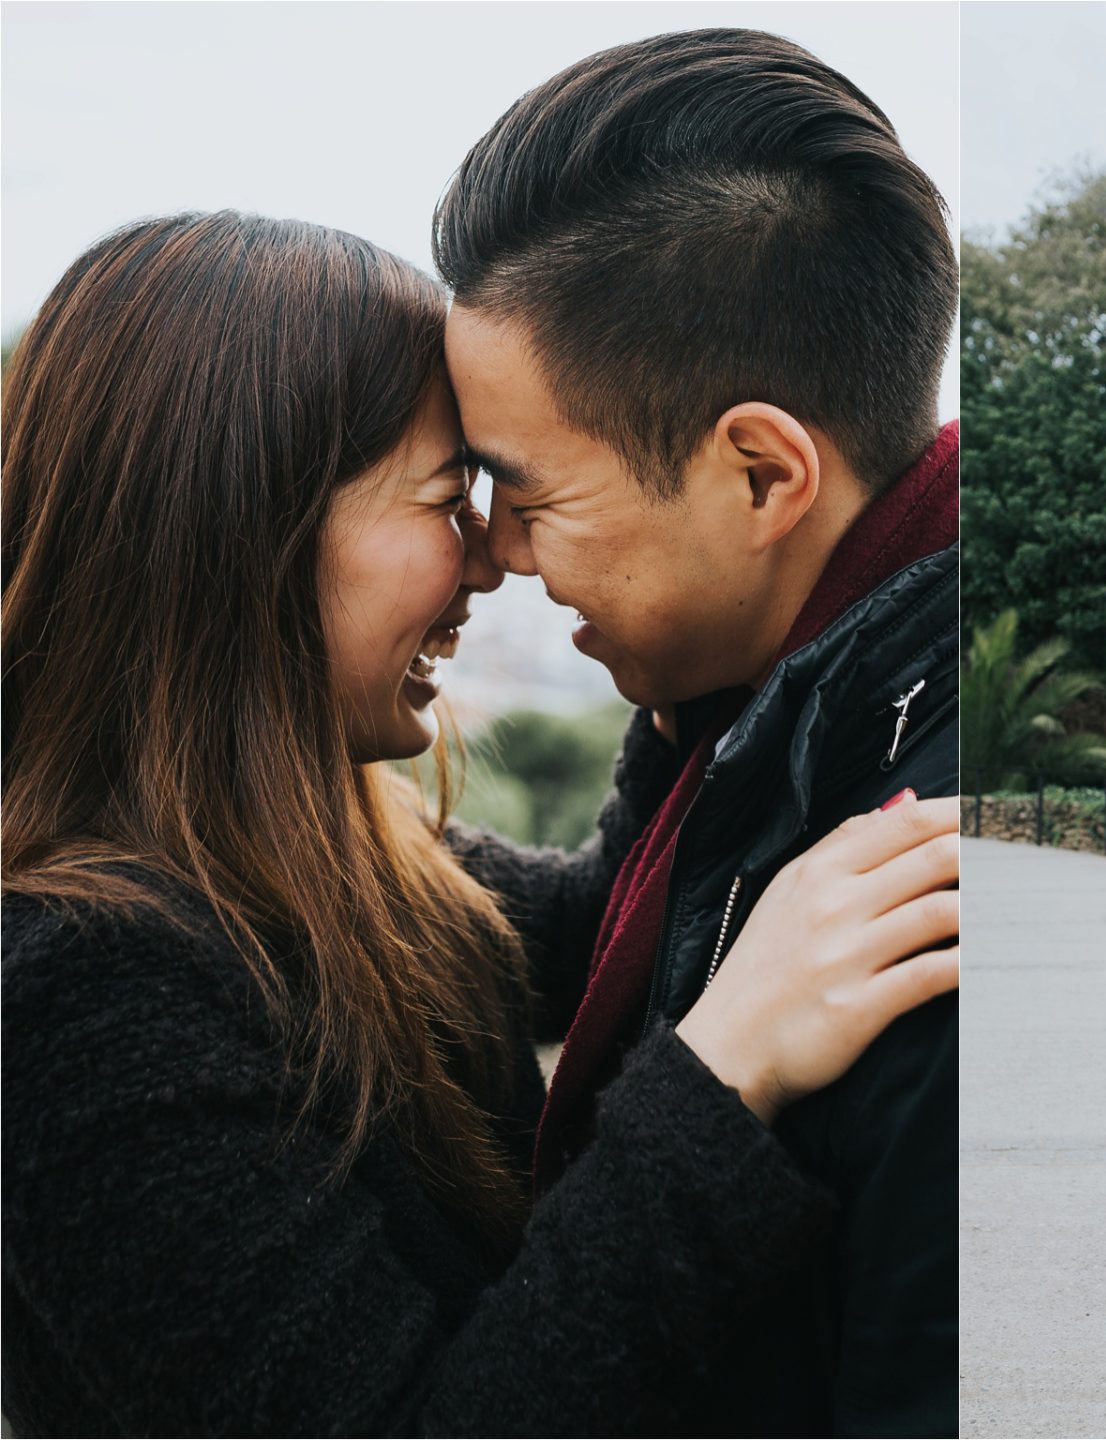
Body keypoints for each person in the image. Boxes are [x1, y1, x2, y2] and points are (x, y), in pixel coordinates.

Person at [0, 212, 959, 1437]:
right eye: (448, 499)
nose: (488, 563)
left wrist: (694, 632)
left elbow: (584, 924)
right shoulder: (82, 989)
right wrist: (726, 1074)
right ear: (247, 536)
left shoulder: (320, 850)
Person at [430, 29, 960, 1437]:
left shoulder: (926, 883)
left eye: (526, 492)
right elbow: (612, 920)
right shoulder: (765, 701)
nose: (495, 556)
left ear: (761, 473)